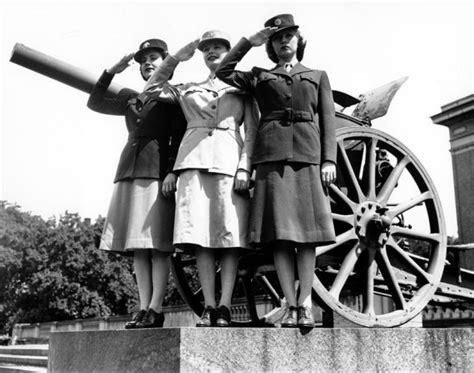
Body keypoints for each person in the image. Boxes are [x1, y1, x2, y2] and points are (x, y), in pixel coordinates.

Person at [216, 14, 337, 328]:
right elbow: (223, 71)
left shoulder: (318, 75)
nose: (285, 41)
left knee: (307, 239)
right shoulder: (258, 77)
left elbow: (328, 120)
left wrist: (329, 160)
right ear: (270, 45)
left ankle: (307, 304)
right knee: (280, 238)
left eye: (290, 36)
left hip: (308, 159)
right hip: (271, 160)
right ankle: (292, 305)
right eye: (278, 38)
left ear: (299, 40)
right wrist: (249, 41)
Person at [144, 30, 257, 327]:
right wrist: (176, 57)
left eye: (219, 47)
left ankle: (225, 306)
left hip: (229, 164)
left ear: (228, 52)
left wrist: (245, 166)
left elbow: (253, 131)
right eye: (206, 48)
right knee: (201, 240)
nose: (212, 52)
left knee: (230, 239)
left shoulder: (243, 87)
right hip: (192, 164)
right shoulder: (188, 87)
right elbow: (152, 88)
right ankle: (209, 305)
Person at [87, 39, 186, 329]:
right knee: (138, 248)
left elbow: (178, 137)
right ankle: (143, 308)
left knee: (157, 246)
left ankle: (156, 308)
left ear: (166, 62)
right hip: (128, 172)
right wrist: (111, 72)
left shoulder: (173, 96)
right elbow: (94, 102)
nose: (148, 63)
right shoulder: (131, 97)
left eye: (154, 58)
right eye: (144, 59)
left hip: (156, 173)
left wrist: (172, 172)